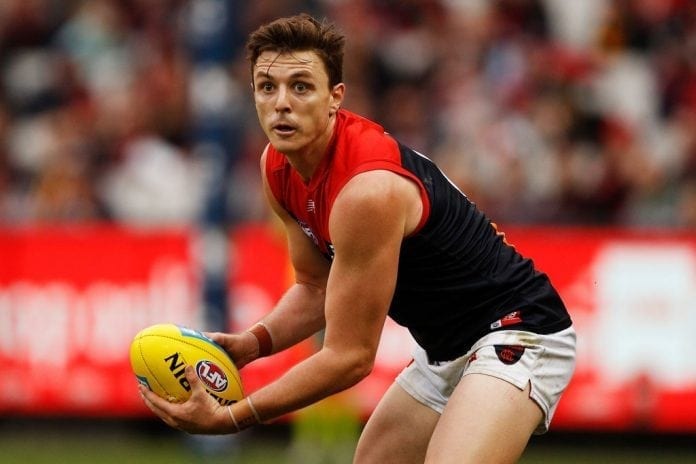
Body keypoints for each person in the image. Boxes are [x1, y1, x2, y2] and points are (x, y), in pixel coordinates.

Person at [139, 13, 576, 463]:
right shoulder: (277, 166)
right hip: (446, 349)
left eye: (301, 87)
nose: (281, 103)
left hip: (519, 331)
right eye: (267, 87)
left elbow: (350, 358)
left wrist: (233, 417)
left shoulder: (366, 191)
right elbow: (315, 287)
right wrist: (250, 345)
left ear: (335, 97)